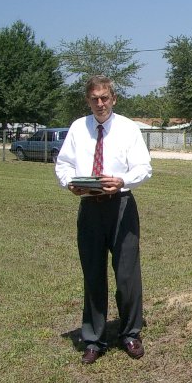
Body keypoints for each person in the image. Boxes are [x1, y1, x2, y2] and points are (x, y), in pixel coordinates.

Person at [55, 75, 152, 365]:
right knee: (93, 274)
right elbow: (63, 164)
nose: (100, 103)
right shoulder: (77, 128)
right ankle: (94, 339)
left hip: (121, 205)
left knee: (127, 276)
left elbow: (144, 167)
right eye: (94, 98)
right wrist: (69, 183)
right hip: (90, 209)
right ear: (88, 100)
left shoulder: (127, 128)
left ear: (114, 98)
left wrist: (122, 180)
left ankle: (130, 333)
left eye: (105, 97)